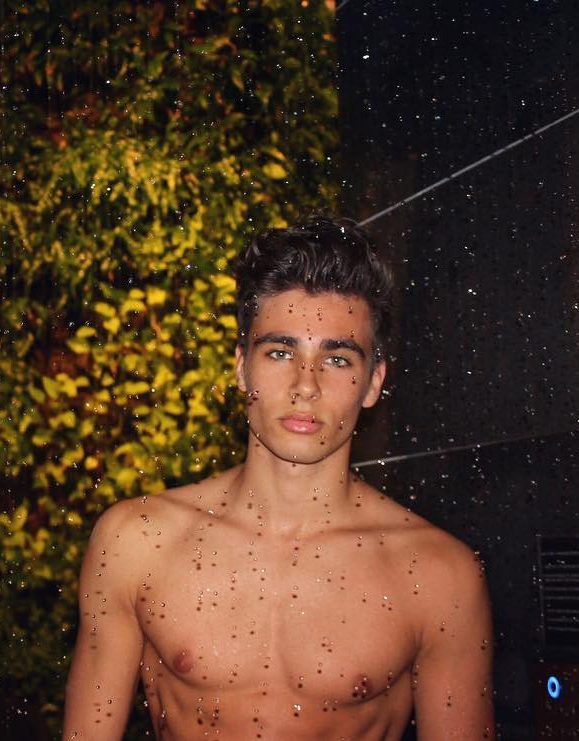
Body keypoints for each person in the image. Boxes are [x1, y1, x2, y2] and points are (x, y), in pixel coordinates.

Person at [61, 217, 494, 740]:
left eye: (337, 358)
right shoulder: (138, 542)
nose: (305, 385)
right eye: (281, 352)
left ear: (373, 382)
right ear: (241, 367)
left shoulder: (438, 576)